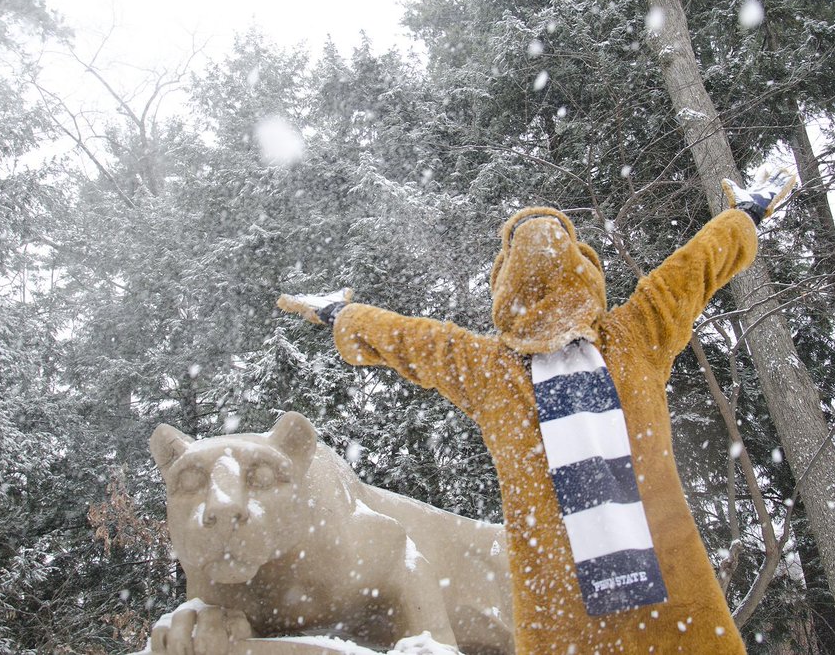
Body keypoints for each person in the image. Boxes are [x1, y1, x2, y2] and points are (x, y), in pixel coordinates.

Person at [279, 169, 795, 654]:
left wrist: (338, 313)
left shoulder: (488, 371)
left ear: (502, 286)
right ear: (586, 269)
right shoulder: (637, 335)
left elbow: (407, 340)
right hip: (675, 596)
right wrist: (746, 213)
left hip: (560, 617)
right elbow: (696, 267)